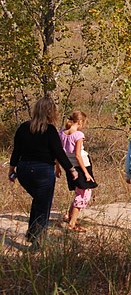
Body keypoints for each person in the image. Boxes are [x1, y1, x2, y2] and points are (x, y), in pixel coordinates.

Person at [8, 96, 78, 248]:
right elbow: (59, 152)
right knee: (43, 205)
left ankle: (32, 234)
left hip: (24, 170)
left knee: (38, 201)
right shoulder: (50, 130)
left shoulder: (23, 127)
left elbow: (16, 151)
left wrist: (12, 170)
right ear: (50, 112)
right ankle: (37, 241)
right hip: (43, 171)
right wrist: (71, 169)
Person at [59, 110, 97, 232]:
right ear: (80, 122)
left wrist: (57, 167)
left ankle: (69, 216)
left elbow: (58, 152)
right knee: (84, 194)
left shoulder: (62, 133)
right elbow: (78, 155)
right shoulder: (78, 135)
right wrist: (86, 173)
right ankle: (72, 223)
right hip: (81, 167)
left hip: (69, 167)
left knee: (78, 192)